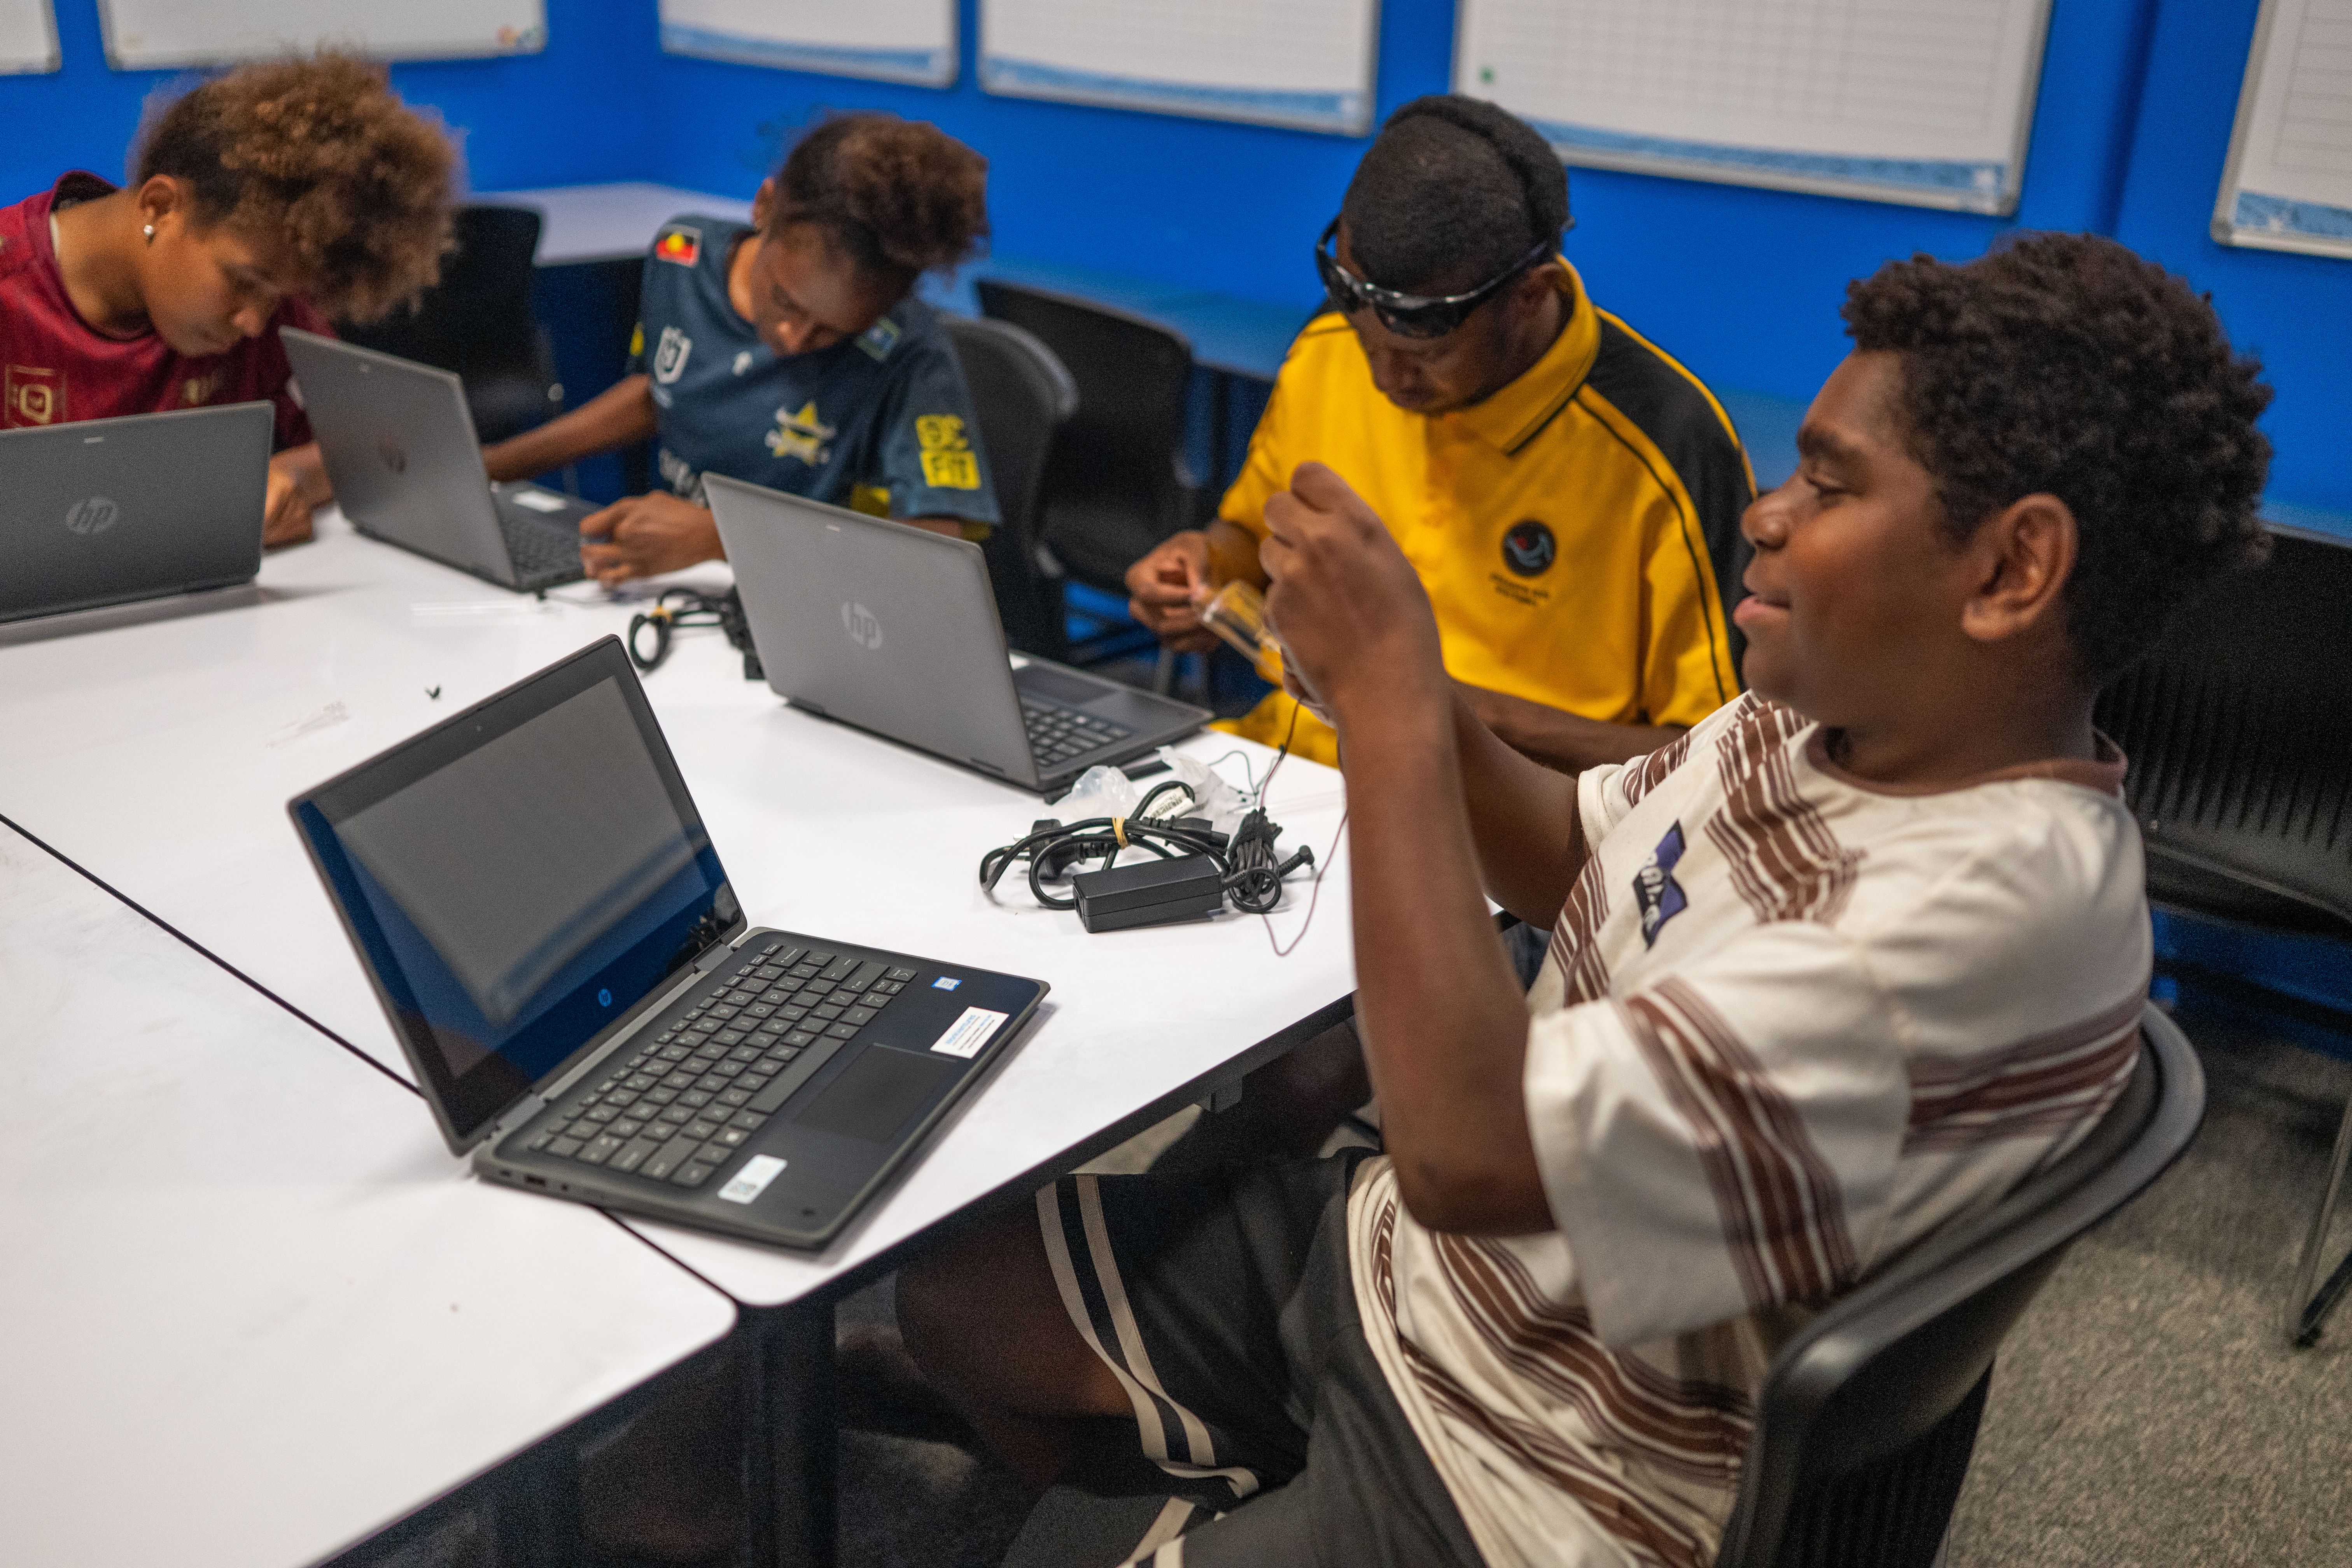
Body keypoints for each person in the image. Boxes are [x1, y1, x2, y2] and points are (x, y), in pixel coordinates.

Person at [898, 232, 2273, 1567]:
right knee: (955, 1299)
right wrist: (1393, 680)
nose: (1767, 512)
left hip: (1544, 1471)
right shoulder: (1829, 723)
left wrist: (1386, 715)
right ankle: (1234, 1474)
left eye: (1827, 484)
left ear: (2007, 571)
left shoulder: (1974, 916)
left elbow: (1463, 1155)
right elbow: (1570, 852)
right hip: (1419, 1280)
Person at [1126, 95, 1750, 776]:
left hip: (1507, 827)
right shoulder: (1326, 347)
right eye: (1370, 348)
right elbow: (1246, 538)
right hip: (1292, 769)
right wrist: (1202, 565)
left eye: (1424, 359)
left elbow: (1713, 758)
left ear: (1530, 294)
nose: (1388, 381)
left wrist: (1434, 704)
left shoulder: (1667, 444)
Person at [483, 113, 999, 587]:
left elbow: (935, 553)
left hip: (813, 595)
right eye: (783, 299)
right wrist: (493, 465)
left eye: (831, 332)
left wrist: (716, 539)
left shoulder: (909, 352)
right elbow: (658, 391)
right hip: (683, 580)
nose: (794, 339)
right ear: (764, 208)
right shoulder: (680, 252)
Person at [0, 54, 455, 548]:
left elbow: (366, 446)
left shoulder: (273, 301)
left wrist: (290, 481)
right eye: (243, 281)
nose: (254, 322)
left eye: (276, 296)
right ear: (161, 208)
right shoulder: (12, 287)